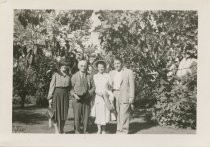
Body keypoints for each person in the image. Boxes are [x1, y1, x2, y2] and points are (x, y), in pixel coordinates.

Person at [109, 57, 135, 134]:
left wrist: (131, 97)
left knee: (124, 113)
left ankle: (124, 130)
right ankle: (118, 129)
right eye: (115, 64)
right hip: (115, 94)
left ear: (122, 64)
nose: (116, 65)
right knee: (117, 113)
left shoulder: (128, 72)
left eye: (118, 63)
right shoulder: (111, 73)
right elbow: (110, 85)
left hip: (125, 94)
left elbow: (132, 85)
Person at [91, 60, 116, 134]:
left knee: (105, 112)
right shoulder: (95, 76)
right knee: (98, 113)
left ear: (104, 67)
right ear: (97, 68)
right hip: (98, 96)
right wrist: (97, 92)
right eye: (99, 67)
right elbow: (93, 87)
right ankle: (99, 129)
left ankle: (104, 129)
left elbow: (111, 86)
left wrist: (108, 91)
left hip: (106, 97)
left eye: (102, 67)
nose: (101, 68)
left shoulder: (107, 75)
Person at [70, 60, 95, 134]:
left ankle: (86, 131)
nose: (83, 67)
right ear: (78, 67)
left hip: (86, 99)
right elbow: (70, 88)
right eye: (82, 66)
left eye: (85, 66)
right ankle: (77, 131)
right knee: (77, 117)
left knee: (86, 117)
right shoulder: (74, 76)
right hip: (76, 99)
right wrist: (74, 95)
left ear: (86, 67)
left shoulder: (89, 76)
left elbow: (93, 87)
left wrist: (89, 93)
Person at [47, 59, 71, 134]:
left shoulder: (69, 76)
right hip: (56, 94)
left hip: (65, 95)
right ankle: (56, 130)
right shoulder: (55, 74)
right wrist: (50, 97)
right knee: (55, 113)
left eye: (65, 66)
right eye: (62, 66)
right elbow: (52, 86)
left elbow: (70, 87)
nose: (64, 67)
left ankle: (62, 129)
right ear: (60, 67)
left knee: (64, 112)